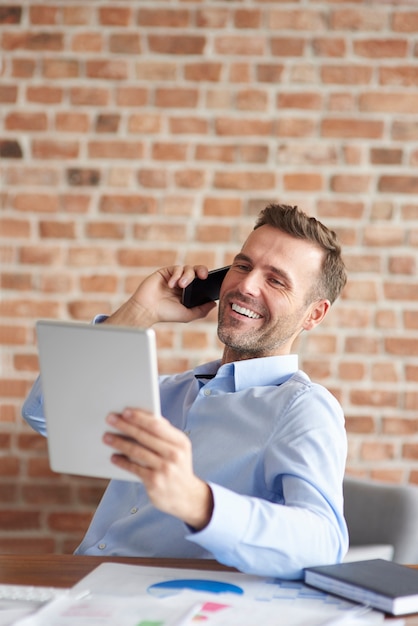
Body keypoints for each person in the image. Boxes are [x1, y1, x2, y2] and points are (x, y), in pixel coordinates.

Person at [22, 204, 348, 579]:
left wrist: (196, 500)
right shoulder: (167, 393)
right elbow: (44, 413)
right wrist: (140, 311)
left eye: (276, 280)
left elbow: (324, 544)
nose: (245, 285)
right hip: (86, 583)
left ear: (314, 314)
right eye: (243, 266)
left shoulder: (302, 408)